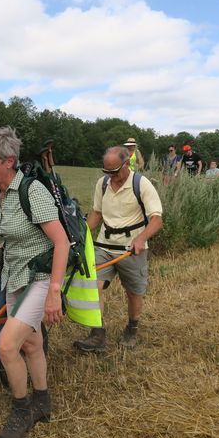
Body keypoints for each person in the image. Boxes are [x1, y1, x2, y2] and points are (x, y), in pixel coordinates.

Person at [0, 126, 67, 438]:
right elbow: (13, 233)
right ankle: (43, 401)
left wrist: (55, 290)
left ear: (9, 160)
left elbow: (61, 242)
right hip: (15, 276)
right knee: (31, 344)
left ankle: (22, 410)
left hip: (40, 278)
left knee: (6, 346)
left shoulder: (32, 192)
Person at [73, 146, 163, 352]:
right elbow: (97, 213)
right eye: (107, 172)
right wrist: (80, 233)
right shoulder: (103, 184)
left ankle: (132, 328)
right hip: (104, 245)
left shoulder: (141, 184)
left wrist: (141, 238)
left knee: (133, 293)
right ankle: (97, 334)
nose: (111, 176)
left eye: (114, 171)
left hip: (132, 248)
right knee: (93, 287)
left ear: (126, 164)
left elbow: (156, 220)